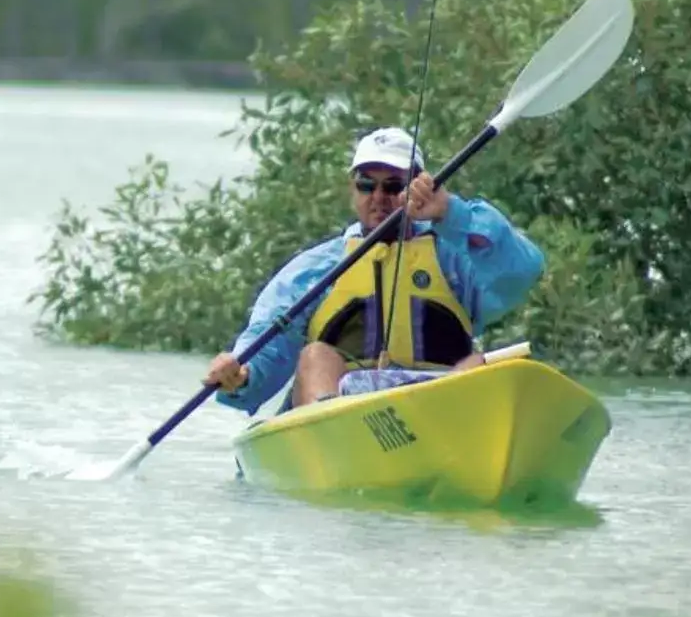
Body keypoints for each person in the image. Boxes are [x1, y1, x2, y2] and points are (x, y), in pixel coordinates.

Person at [204, 125, 544, 414]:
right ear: (352, 188)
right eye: (367, 184)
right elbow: (270, 345)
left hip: (434, 411)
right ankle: (333, 433)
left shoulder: (455, 257)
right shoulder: (314, 269)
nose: (379, 196)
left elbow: (523, 271)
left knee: (480, 365)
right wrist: (242, 374)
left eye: (394, 186)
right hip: (343, 416)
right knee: (315, 356)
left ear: (418, 188)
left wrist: (451, 212)